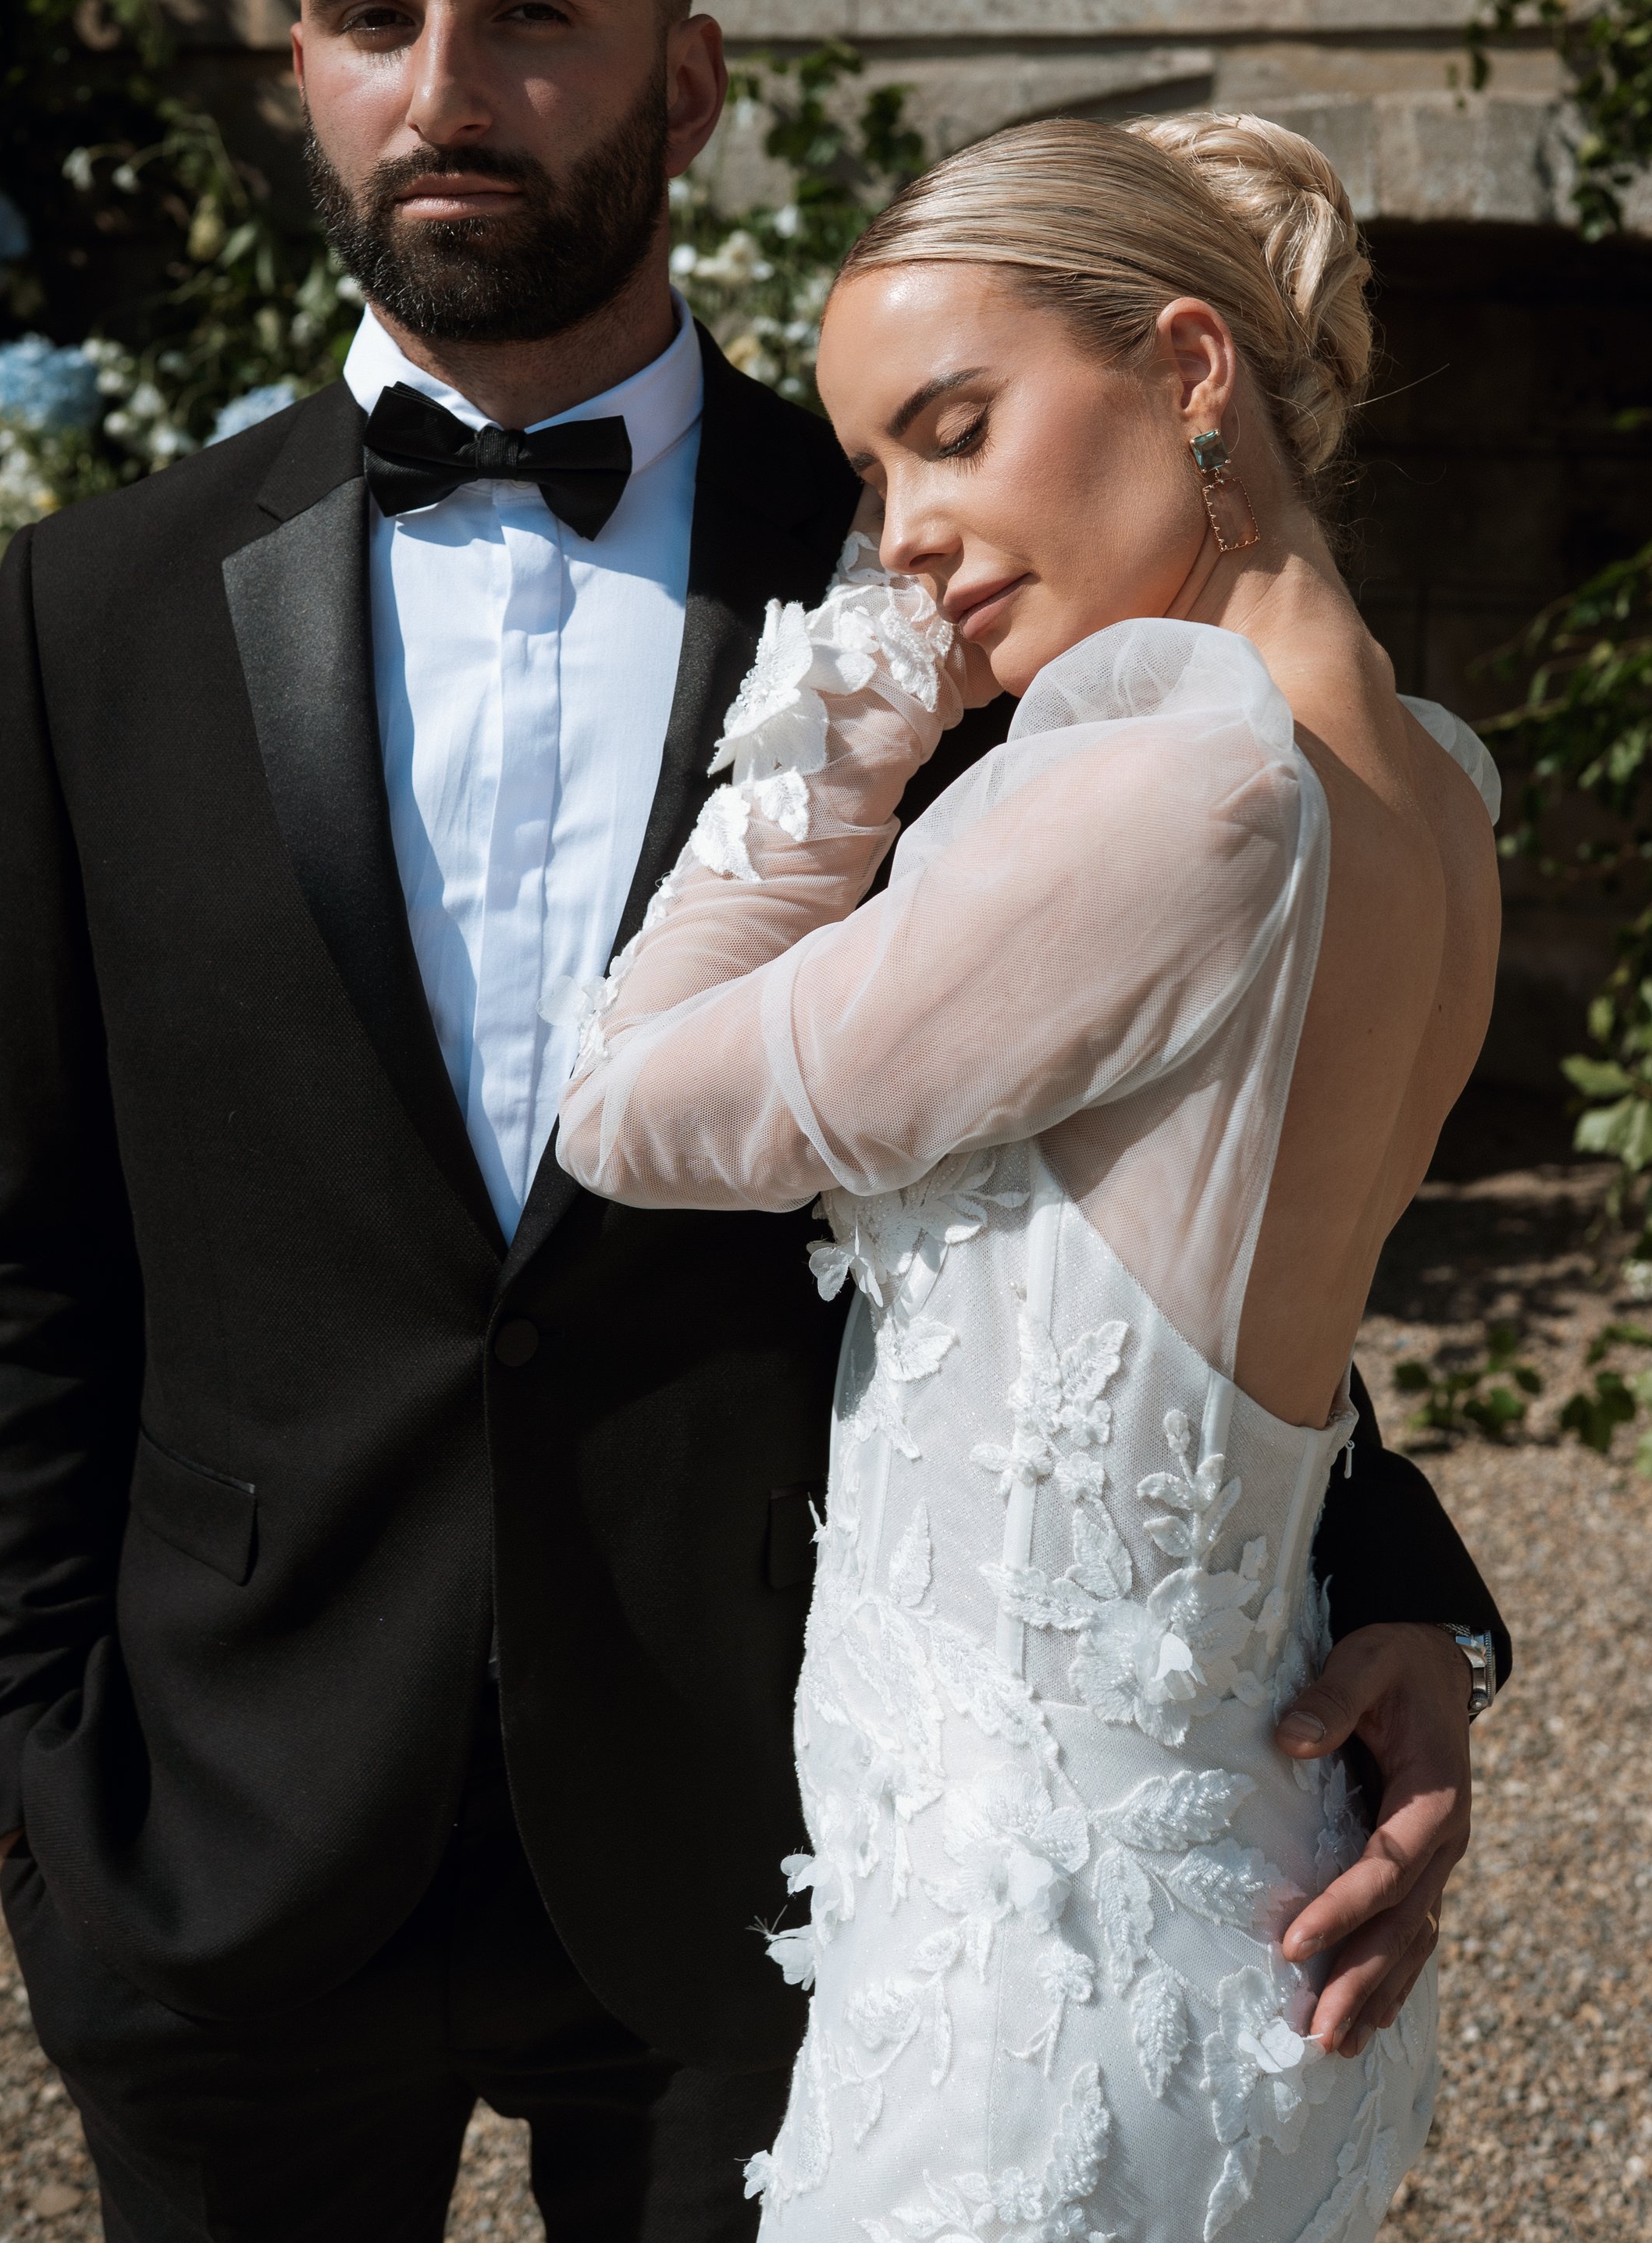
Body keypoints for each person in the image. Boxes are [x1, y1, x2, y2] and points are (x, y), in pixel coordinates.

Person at [0, 0, 1507, 2243]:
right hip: (215, 1842)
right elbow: (25, 1228)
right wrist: (19, 1768)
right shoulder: (95, 604)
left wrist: (1387, 1590)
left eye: (531, 10)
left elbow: (1178, 1150)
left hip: (775, 1856)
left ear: (682, 84)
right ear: (302, 70)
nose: (447, 80)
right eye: (371, 16)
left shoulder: (971, 570)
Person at [555, 110, 1506, 2240]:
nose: (896, 533)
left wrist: (842, 734)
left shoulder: (1165, 774)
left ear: (1189, 371)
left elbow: (623, 1108)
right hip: (1231, 1918)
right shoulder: (1434, 787)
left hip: (1031, 2000)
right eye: (874, 477)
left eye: (948, 433)